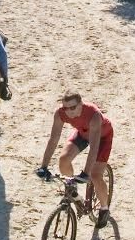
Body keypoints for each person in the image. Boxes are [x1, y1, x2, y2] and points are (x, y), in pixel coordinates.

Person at [35, 92, 114, 226]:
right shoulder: (60, 114)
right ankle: (72, 189)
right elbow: (53, 140)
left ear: (81, 105)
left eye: (72, 108)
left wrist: (86, 173)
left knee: (95, 175)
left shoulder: (93, 115)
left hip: (102, 137)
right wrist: (44, 166)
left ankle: (104, 208)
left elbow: (94, 148)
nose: (68, 111)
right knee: (64, 160)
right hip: (83, 133)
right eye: (65, 107)